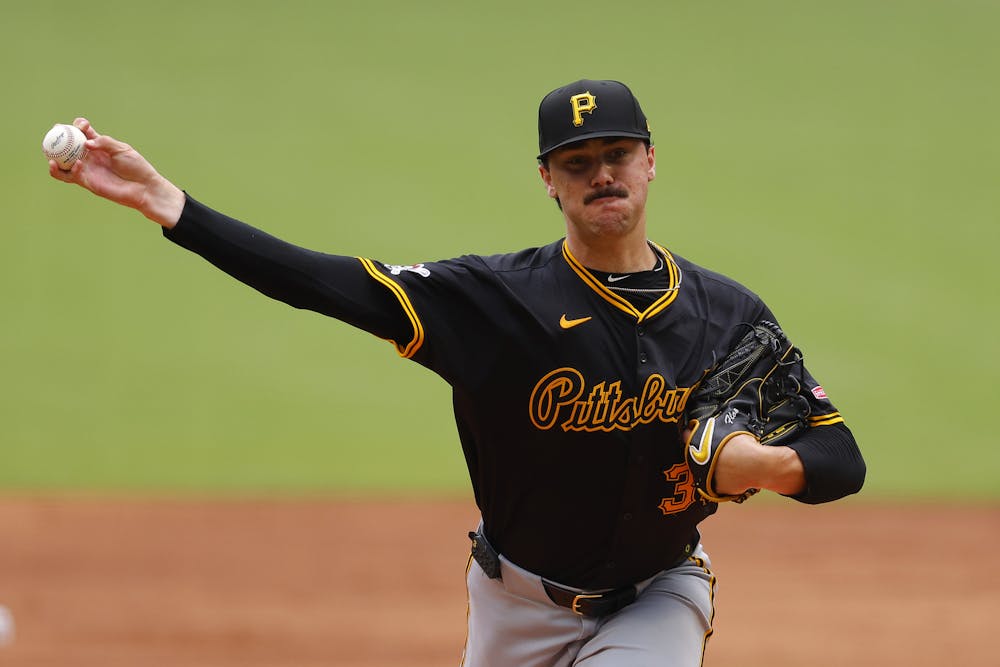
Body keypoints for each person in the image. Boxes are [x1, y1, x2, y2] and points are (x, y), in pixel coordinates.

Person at [49, 79, 865, 666]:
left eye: (617, 154)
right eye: (577, 161)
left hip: (661, 593)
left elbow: (840, 457)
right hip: (512, 605)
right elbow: (321, 282)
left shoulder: (728, 314)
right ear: (547, 180)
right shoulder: (496, 300)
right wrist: (171, 206)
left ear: (651, 161)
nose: (601, 174)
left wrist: (758, 464)